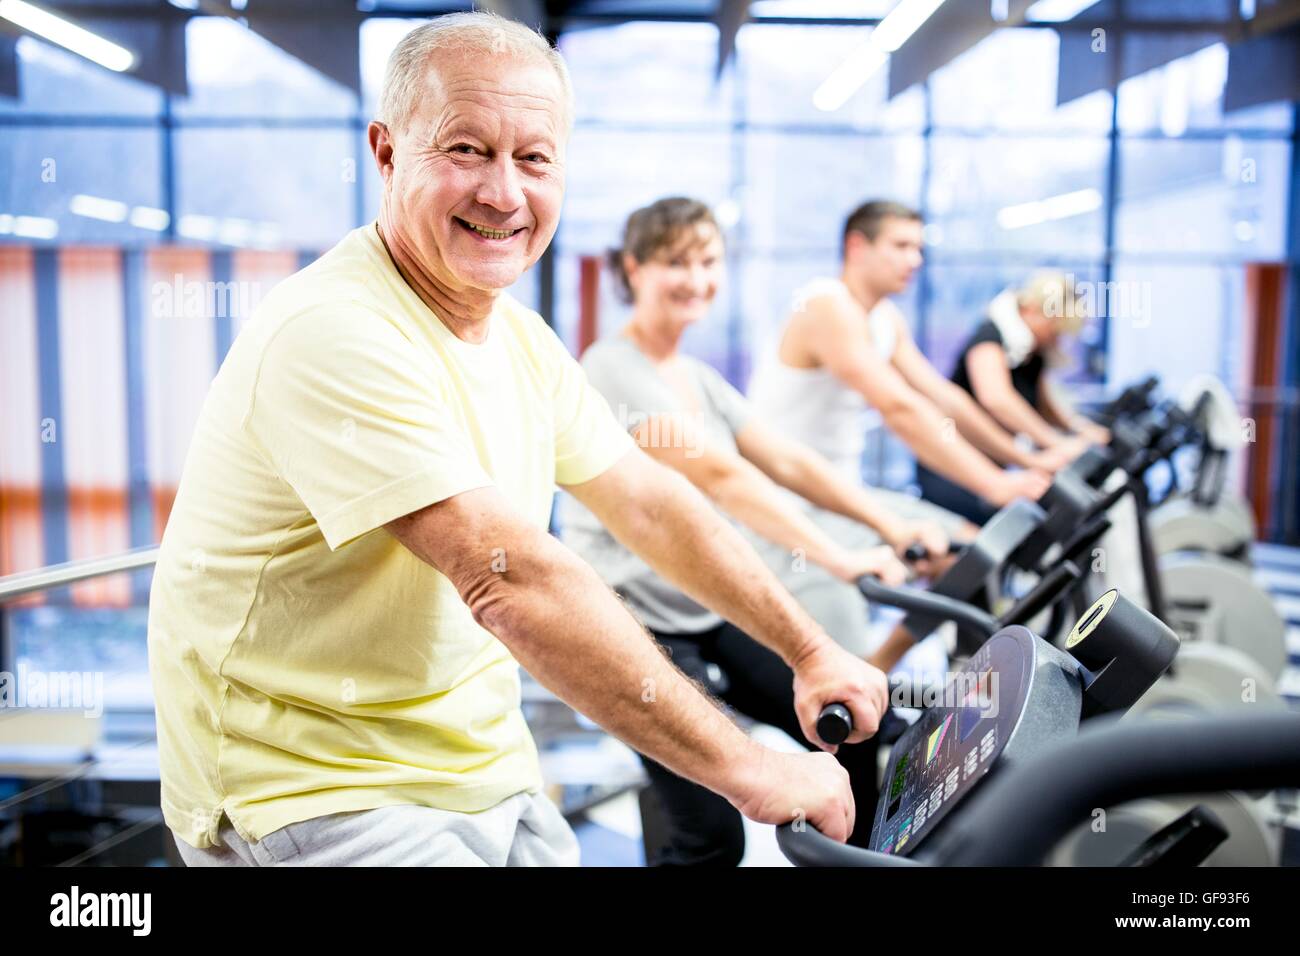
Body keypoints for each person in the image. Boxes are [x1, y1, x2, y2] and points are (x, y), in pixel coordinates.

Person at [148, 13, 887, 868]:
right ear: (387, 153)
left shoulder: (520, 339)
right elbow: (513, 580)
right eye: (466, 150)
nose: (503, 193)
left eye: (533, 159)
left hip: (486, 771)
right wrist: (751, 769)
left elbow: (648, 502)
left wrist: (808, 648)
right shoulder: (333, 331)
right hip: (318, 791)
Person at [562, 197, 950, 865]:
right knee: (711, 834)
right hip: (637, 629)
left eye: (708, 261)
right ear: (635, 269)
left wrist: (888, 525)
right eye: (674, 262)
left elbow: (787, 461)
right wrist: (842, 560)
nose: (695, 278)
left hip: (701, 610)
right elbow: (723, 477)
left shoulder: (700, 380)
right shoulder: (610, 369)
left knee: (856, 728)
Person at [748, 200, 1062, 528]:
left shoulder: (885, 319)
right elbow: (898, 408)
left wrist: (1030, 459)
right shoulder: (827, 305)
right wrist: (995, 483)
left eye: (918, 248)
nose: (914, 260)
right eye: (900, 246)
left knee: (971, 545)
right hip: (791, 502)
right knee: (962, 552)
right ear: (856, 246)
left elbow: (944, 398)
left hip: (842, 490)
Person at [950, 272, 1110, 450]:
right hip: (954, 454)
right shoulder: (990, 337)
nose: (1056, 339)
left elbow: (1044, 406)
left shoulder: (1034, 352)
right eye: (1054, 328)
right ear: (1031, 309)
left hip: (990, 456)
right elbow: (997, 400)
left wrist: (1079, 429)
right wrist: (1057, 443)